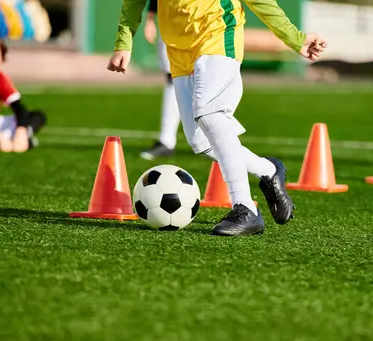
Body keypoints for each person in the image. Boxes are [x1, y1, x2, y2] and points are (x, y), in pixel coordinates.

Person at [107, 0, 327, 236]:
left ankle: (245, 208)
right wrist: (124, 42)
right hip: (178, 50)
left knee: (210, 113)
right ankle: (268, 170)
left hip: (217, 33)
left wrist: (294, 37)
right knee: (200, 142)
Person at [139, 0, 181, 160]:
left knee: (202, 79)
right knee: (173, 78)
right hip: (170, 21)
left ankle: (213, 141)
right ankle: (166, 140)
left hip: (205, 23)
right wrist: (150, 18)